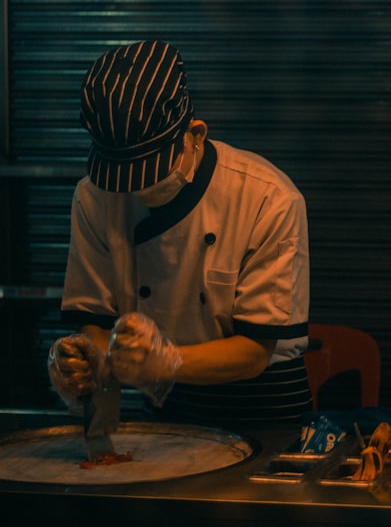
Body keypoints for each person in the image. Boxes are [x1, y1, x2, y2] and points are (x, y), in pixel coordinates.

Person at [46, 40, 312, 426]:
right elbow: (97, 324)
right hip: (165, 411)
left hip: (264, 409)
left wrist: (166, 359)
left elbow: (255, 351)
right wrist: (86, 360)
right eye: (125, 178)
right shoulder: (95, 197)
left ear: (195, 134)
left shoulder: (268, 197)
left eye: (151, 171)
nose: (137, 190)